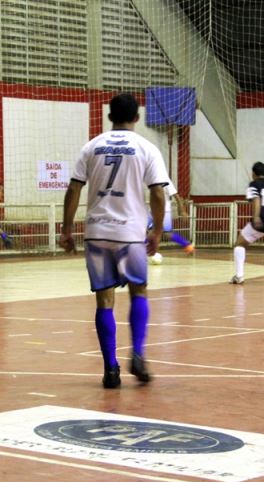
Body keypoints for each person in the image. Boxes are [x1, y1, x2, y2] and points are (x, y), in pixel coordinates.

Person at [60, 93, 167, 389]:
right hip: (131, 233)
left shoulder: (91, 146)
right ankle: (138, 353)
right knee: (139, 292)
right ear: (137, 117)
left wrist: (67, 229)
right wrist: (157, 231)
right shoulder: (147, 148)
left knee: (104, 300)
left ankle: (110, 368)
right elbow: (158, 192)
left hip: (97, 231)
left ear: (109, 116)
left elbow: (73, 189)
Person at [148, 178, 194, 259]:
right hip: (151, 208)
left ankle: (187, 245)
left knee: (167, 233)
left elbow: (176, 196)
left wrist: (182, 211)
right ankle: (137, 250)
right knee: (143, 229)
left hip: (164, 209)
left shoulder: (164, 179)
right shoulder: (147, 176)